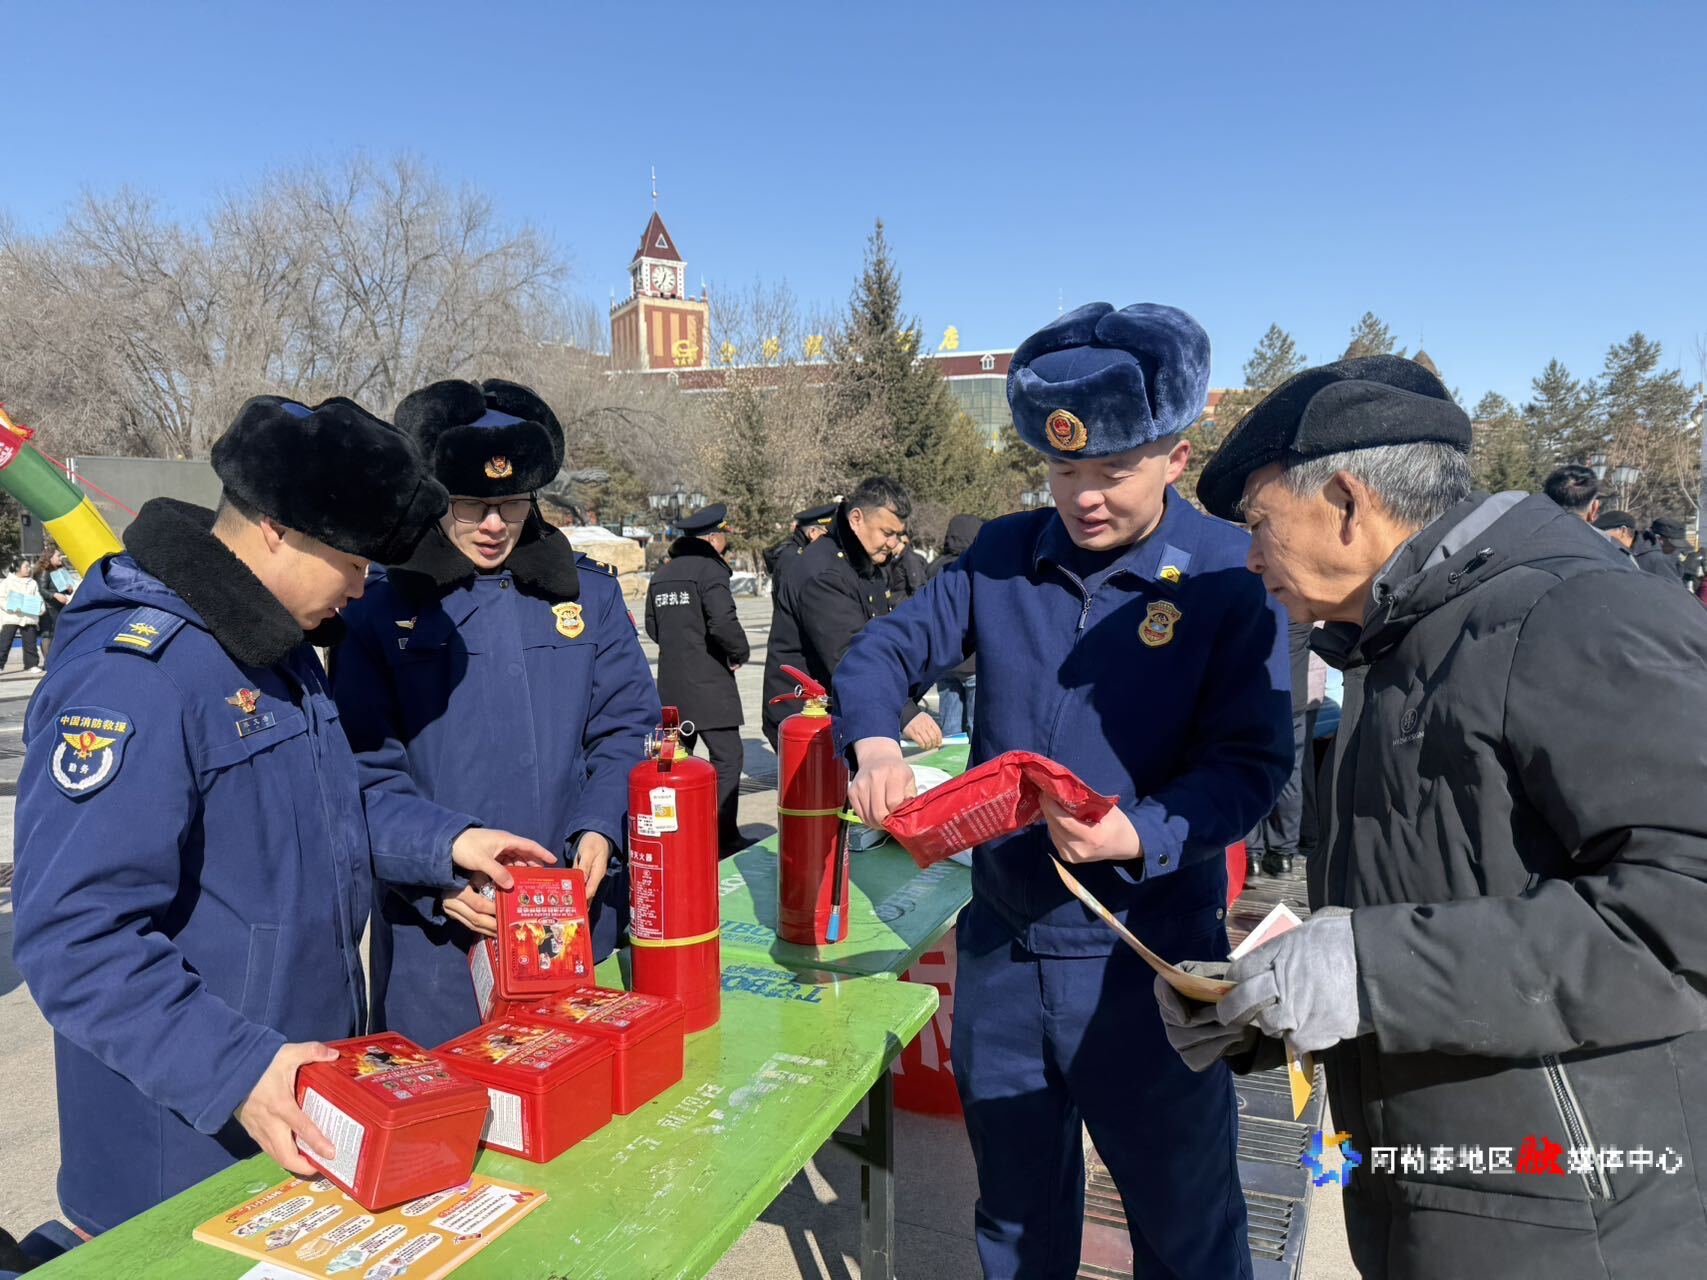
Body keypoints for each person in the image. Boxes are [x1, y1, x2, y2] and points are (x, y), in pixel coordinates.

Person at [1171, 354, 1707, 1278]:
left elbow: (1682, 912)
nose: (1251, 559)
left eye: (1258, 524)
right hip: (1448, 1188)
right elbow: (1443, 901)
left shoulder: (1573, 614)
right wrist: (1275, 1003)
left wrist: (1369, 971)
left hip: (1575, 1219)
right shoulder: (1401, 647)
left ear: (1345, 500)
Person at [10, 395, 550, 1236]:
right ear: (274, 528)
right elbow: (76, 938)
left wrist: (448, 843)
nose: (362, 587)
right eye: (352, 560)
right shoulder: (136, 679)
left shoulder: (274, 649)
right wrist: (238, 1068)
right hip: (183, 1151)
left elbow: (326, 805)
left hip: (294, 1110)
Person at [838, 303, 1293, 1279]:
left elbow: (1251, 762)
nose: (1083, 498)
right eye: (1061, 470)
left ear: (1174, 455)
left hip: (1147, 951)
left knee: (1183, 1218)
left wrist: (1139, 831)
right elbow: (886, 648)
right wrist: (873, 738)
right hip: (1004, 947)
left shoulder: (1229, 572)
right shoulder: (1003, 554)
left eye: (1112, 470)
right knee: (1015, 1214)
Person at [332, 379, 660, 1048]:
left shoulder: (587, 597)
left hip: (574, 921)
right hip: (442, 939)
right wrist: (438, 867)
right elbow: (357, 777)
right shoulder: (375, 611)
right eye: (472, 506)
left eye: (510, 504)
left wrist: (602, 827)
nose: (493, 525)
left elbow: (627, 728)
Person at [760, 477, 940, 753]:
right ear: (856, 519)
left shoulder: (863, 564)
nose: (893, 543)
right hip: (807, 717)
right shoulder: (824, 572)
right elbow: (848, 652)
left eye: (898, 535)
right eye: (886, 532)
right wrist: (904, 711)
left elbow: (877, 633)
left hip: (843, 705)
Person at [645, 502, 751, 854]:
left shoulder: (661, 575)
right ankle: (722, 837)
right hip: (710, 683)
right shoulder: (710, 570)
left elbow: (652, 627)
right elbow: (723, 623)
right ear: (713, 538)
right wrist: (738, 653)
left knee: (674, 762)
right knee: (728, 758)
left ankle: (678, 836)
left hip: (671, 685)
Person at [927, 514, 983, 737]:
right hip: (973, 661)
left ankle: (950, 761)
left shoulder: (934, 568)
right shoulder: (978, 568)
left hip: (944, 660)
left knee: (950, 730)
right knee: (976, 728)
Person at [761, 501, 835, 586]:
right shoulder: (794, 559)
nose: (832, 538)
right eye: (829, 533)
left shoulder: (805, 553)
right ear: (813, 533)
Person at [0, 559, 44, 675]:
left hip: (29, 617)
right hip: (11, 616)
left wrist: (41, 608)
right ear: (17, 568)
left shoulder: (32, 583)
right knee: (4, 642)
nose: (29, 569)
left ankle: (31, 665)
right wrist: (11, 607)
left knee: (30, 643)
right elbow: (1, 598)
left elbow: (38, 598)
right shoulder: (7, 582)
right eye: (26, 567)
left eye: (29, 566)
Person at [36, 548, 79, 664]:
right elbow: (41, 590)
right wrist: (54, 595)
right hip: (48, 608)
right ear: (49, 558)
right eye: (58, 556)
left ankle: (55, 660)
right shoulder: (45, 571)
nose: (61, 558)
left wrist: (67, 589)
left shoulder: (59, 571)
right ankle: (48, 662)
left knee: (57, 634)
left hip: (58, 607)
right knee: (48, 634)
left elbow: (59, 589)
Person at [885, 533, 930, 602]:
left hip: (905, 604)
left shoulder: (910, 559)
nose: (887, 548)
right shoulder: (897, 560)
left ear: (896, 541)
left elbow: (917, 587)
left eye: (889, 545)